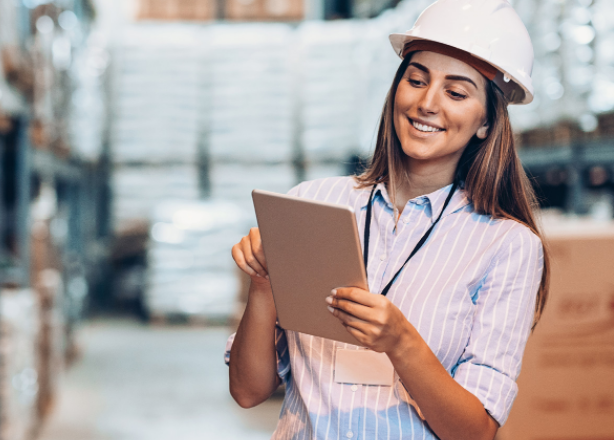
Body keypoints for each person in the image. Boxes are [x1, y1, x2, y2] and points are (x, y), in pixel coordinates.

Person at [226, 1, 550, 439]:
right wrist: (263, 285)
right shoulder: (312, 204)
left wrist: (401, 341)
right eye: (416, 81)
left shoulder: (507, 245)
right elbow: (248, 391)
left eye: (456, 93)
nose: (427, 103)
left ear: (487, 122)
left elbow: (475, 432)